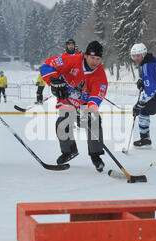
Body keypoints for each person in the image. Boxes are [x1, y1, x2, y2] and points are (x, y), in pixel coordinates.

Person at [40, 41, 108, 172]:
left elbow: (97, 95)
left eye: (98, 59)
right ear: (85, 55)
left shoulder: (100, 74)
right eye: (92, 58)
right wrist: (54, 82)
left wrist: (90, 110)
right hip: (68, 100)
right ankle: (69, 151)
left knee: (93, 121)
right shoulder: (71, 60)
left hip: (84, 104)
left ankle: (96, 155)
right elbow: (47, 66)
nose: (95, 62)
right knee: (62, 124)